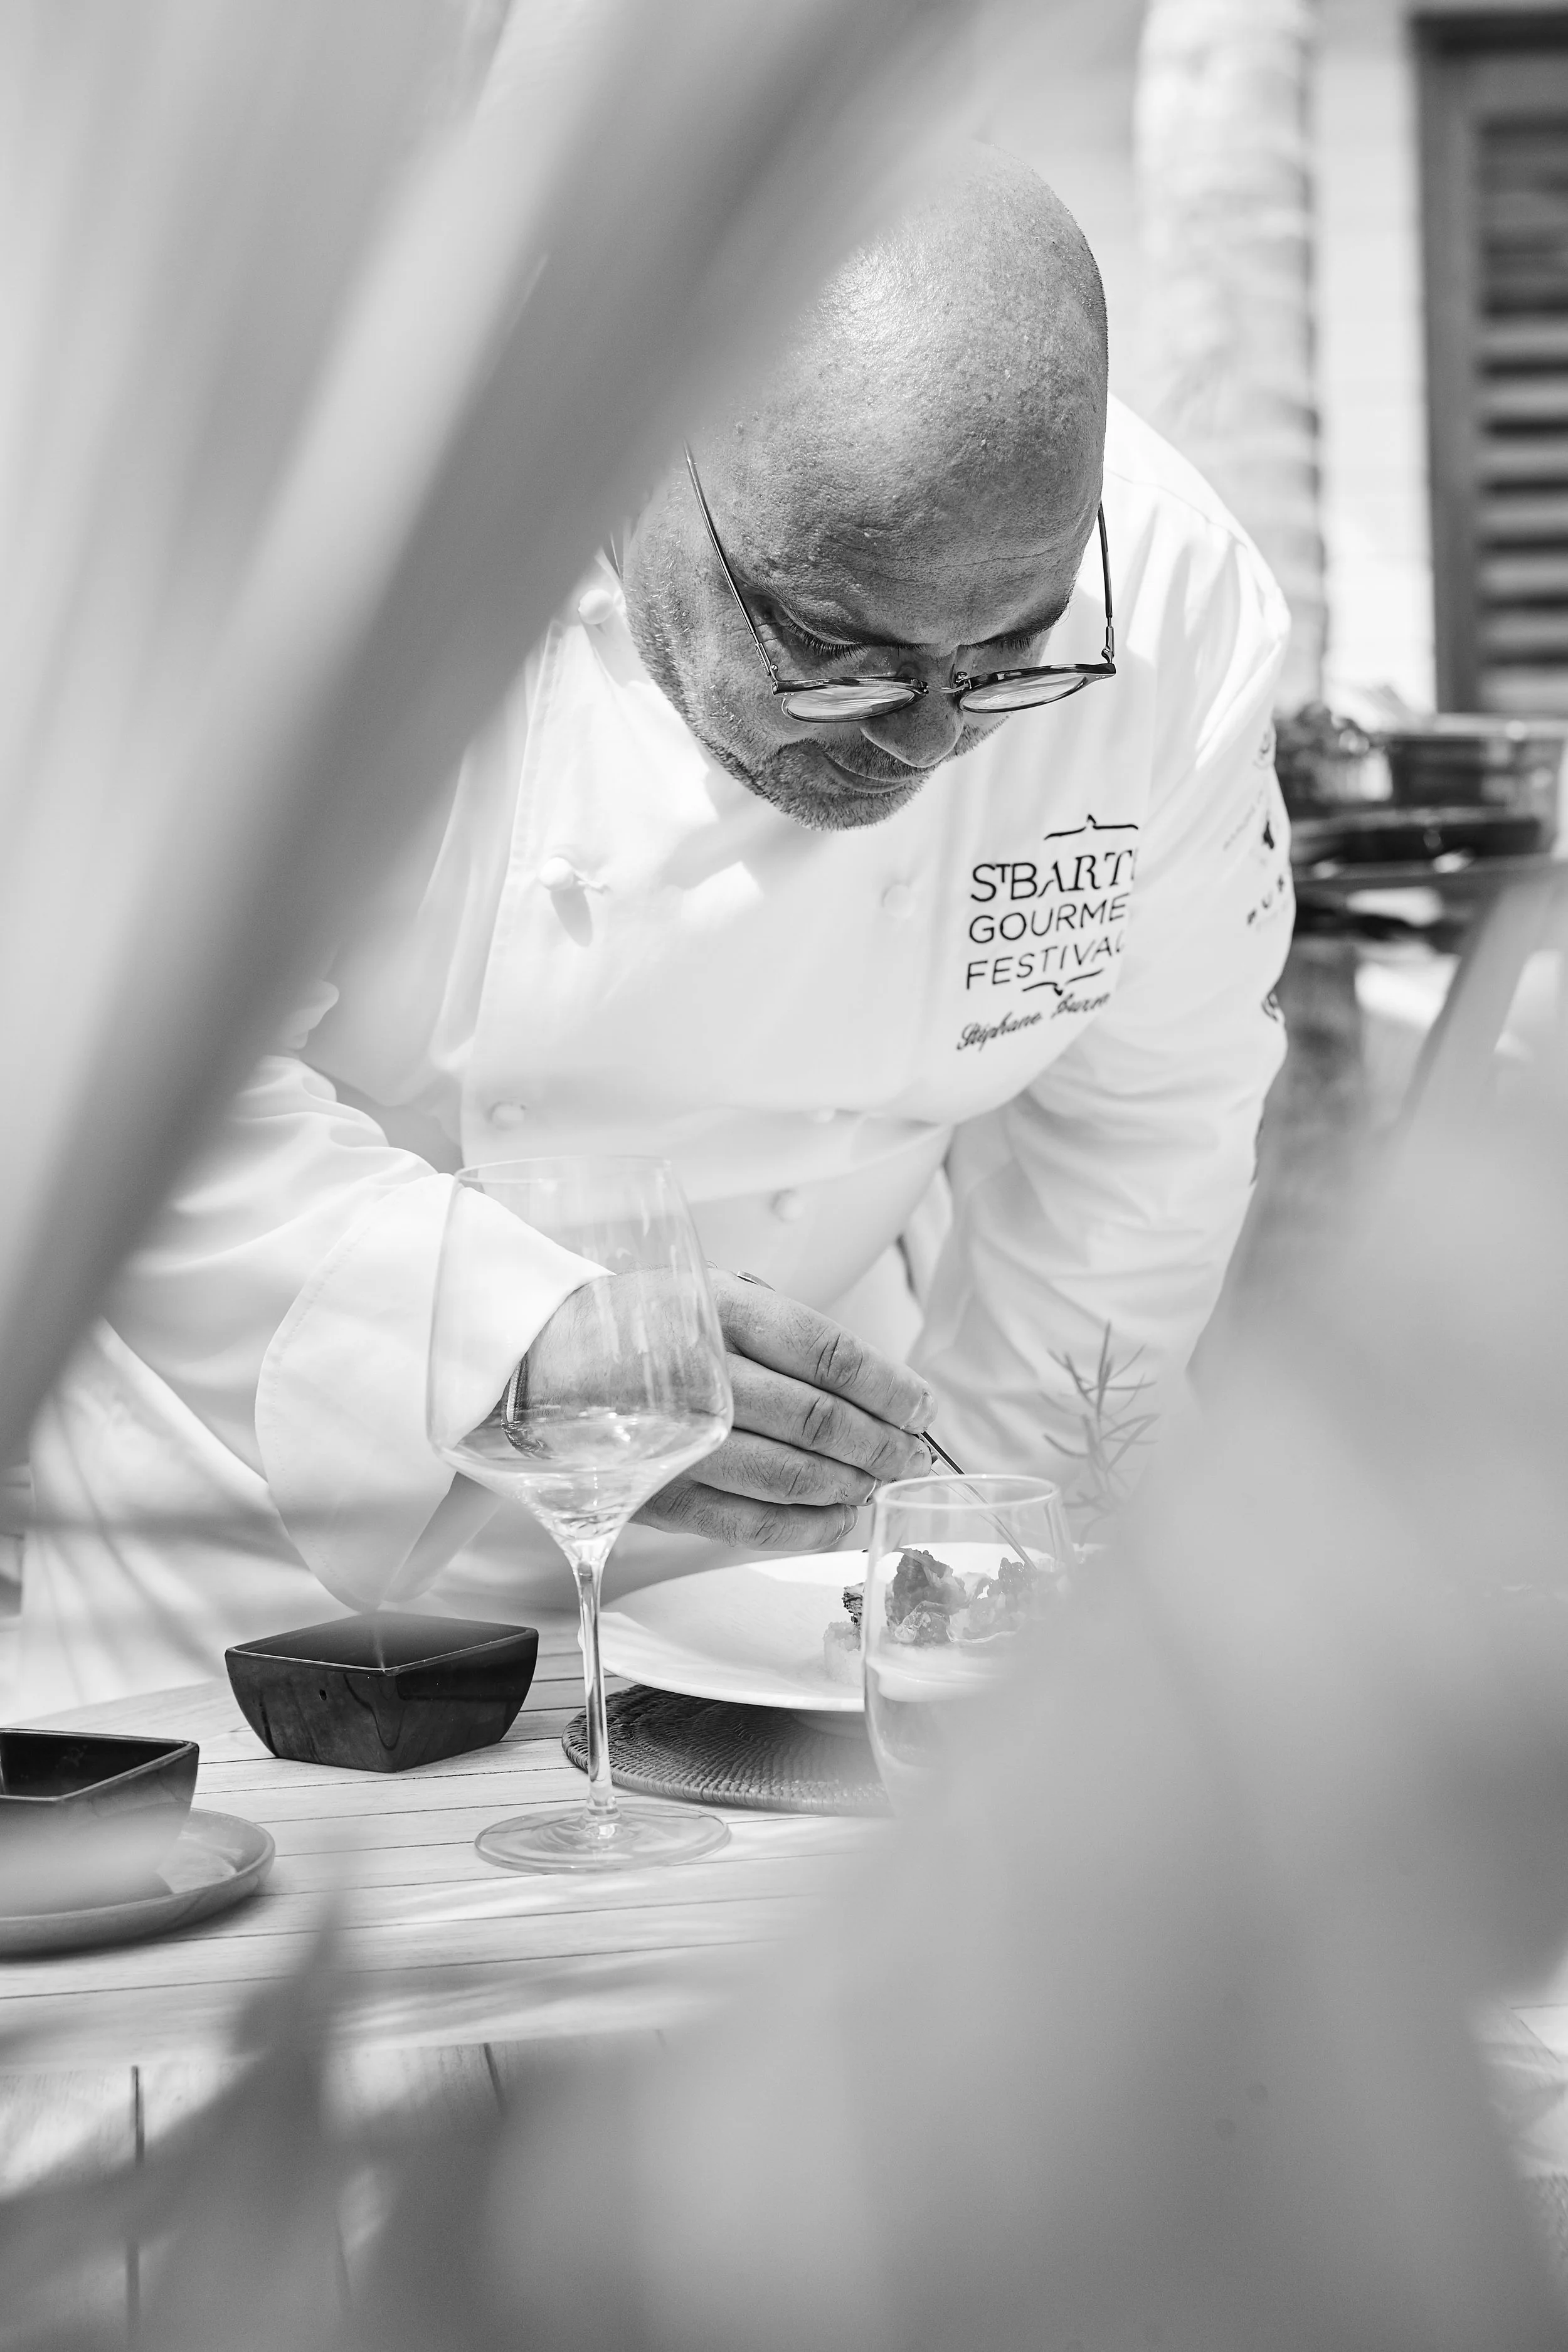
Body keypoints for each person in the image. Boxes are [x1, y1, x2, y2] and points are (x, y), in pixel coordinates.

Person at [19, 152, 1293, 1708]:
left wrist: (963, 1576)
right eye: (832, 648)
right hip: (260, 1582)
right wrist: (500, 1337)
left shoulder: (1170, 608)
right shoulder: (315, 541)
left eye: (1012, 657)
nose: (922, 737)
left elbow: (1139, 1146)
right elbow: (101, 1085)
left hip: (780, 1587)